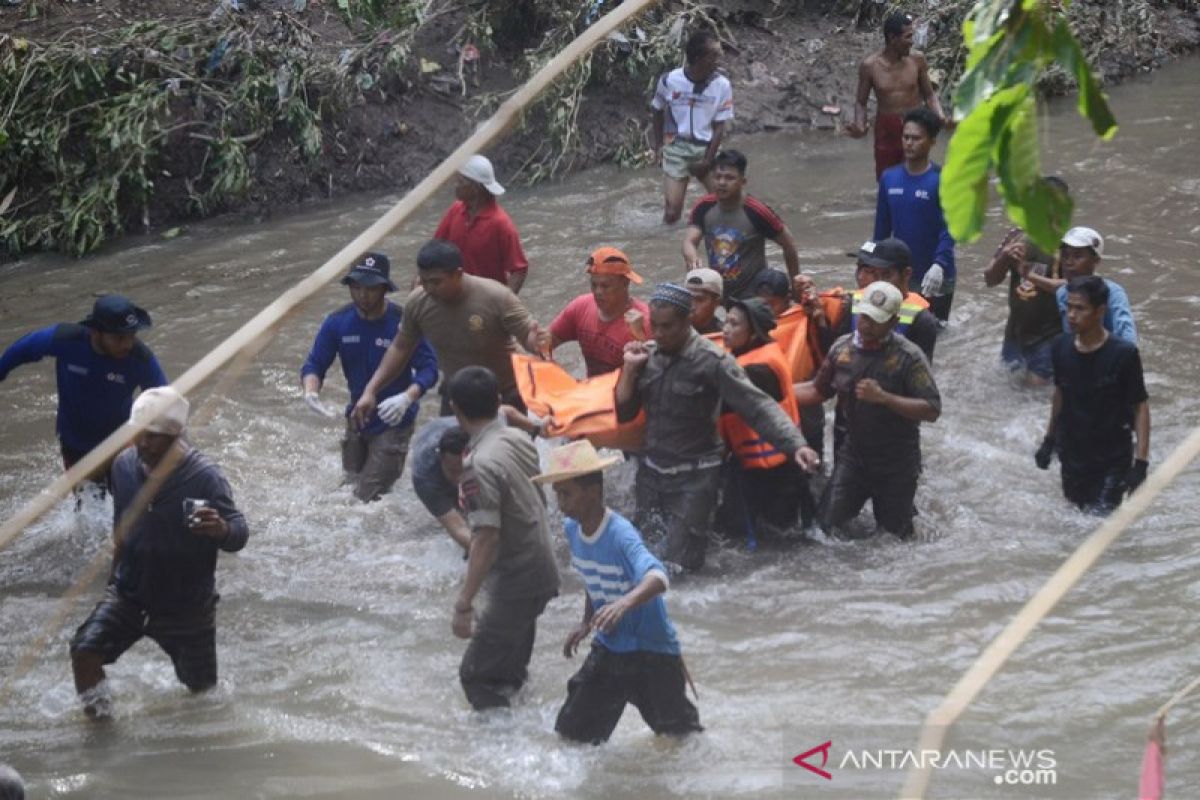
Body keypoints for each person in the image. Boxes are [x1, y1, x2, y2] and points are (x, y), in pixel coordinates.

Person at [68, 387, 249, 718]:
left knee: (203, 696)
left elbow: (239, 534)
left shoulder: (205, 477)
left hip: (186, 606)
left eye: (153, 437)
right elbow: (122, 527)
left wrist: (220, 528)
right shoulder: (124, 466)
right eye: (139, 434)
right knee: (84, 651)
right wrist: (112, 583)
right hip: (130, 595)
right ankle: (101, 730)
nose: (143, 444)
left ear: (177, 435)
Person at [615, 283, 819, 572]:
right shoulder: (648, 357)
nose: (659, 334)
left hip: (694, 479)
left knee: (679, 567)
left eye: (667, 326)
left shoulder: (713, 361)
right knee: (641, 559)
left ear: (687, 321)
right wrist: (629, 369)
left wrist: (796, 444)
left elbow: (757, 406)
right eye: (654, 326)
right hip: (652, 476)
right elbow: (624, 414)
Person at [533, 440, 702, 744]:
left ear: (594, 492)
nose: (561, 503)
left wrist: (624, 603)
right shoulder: (574, 529)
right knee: (572, 735)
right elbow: (592, 574)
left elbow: (658, 577)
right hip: (610, 648)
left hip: (652, 653)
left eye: (567, 494)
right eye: (557, 494)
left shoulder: (620, 533)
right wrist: (587, 622)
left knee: (681, 738)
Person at [448, 367, 560, 710]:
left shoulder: (477, 465)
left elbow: (486, 537)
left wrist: (464, 603)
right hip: (542, 569)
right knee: (509, 674)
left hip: (516, 580)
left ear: (455, 410)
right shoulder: (515, 438)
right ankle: (526, 731)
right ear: (497, 401)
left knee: (476, 676)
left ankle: (504, 751)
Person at [794, 282, 941, 539]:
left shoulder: (909, 357)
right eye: (864, 316)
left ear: (894, 321)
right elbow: (818, 390)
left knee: (894, 538)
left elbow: (932, 409)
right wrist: (774, 394)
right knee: (821, 531)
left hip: (897, 462)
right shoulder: (842, 349)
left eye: (876, 320)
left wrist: (885, 398)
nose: (866, 324)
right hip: (854, 456)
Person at [351, 239, 547, 425]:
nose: (429, 288)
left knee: (504, 456)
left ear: (458, 274)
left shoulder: (497, 296)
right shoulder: (418, 302)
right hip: (456, 393)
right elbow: (400, 347)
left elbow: (528, 336)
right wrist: (371, 390)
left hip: (504, 392)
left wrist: (536, 341)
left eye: (436, 282)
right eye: (424, 281)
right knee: (448, 455)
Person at [301, 253, 438, 501]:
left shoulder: (403, 324)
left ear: (385, 288)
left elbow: (429, 369)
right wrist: (311, 392)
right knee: (348, 485)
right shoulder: (337, 322)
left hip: (393, 419)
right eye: (357, 287)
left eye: (371, 288)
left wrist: (407, 398)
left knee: (365, 498)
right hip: (358, 417)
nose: (363, 295)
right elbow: (315, 363)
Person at [0, 294, 168, 485]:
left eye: (131, 336)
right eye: (119, 338)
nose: (128, 344)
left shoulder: (141, 359)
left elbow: (165, 402)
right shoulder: (65, 340)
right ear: (95, 333)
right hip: (75, 441)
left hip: (119, 442)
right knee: (86, 506)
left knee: (127, 504)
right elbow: (18, 351)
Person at [1036, 276, 1150, 515]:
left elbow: (1140, 406)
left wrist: (1140, 462)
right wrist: (1049, 440)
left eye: (1080, 308)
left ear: (1100, 311)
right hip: (1073, 454)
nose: (1071, 315)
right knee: (1075, 517)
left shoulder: (1124, 355)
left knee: (1099, 523)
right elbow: (1060, 393)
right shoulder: (1060, 348)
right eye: (1069, 307)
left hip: (1112, 458)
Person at [716, 298, 813, 538]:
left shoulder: (758, 370)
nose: (725, 329)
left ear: (753, 333)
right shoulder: (752, 355)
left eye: (734, 324)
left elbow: (714, 403)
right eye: (726, 321)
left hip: (777, 474)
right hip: (754, 466)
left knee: (776, 542)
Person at [409, 406, 547, 554]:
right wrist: (490, 554)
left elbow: (505, 412)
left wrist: (537, 428)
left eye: (464, 470)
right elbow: (457, 527)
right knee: (468, 517)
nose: (460, 479)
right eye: (454, 471)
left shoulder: (486, 438)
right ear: (441, 459)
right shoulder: (425, 477)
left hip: (457, 431)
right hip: (430, 436)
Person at [682, 149, 800, 302]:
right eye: (718, 177)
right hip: (717, 291)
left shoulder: (756, 211)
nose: (722, 183)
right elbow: (689, 241)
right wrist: (692, 257)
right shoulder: (703, 206)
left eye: (729, 178)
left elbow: (789, 244)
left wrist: (796, 287)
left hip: (752, 294)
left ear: (743, 182)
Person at [983, 178, 1070, 382]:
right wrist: (1004, 256)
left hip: (1049, 336)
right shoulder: (1016, 236)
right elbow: (990, 279)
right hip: (1015, 333)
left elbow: (1072, 288)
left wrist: (1030, 275)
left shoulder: (1068, 244)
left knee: (1034, 396)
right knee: (1009, 394)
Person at [874, 107, 956, 323]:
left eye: (916, 138)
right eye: (905, 137)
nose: (909, 143)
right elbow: (881, 232)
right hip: (901, 276)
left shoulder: (944, 180)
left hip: (937, 275)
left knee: (936, 334)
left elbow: (950, 229)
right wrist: (872, 265)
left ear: (932, 142)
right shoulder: (889, 178)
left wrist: (939, 265)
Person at [846, 11, 950, 181]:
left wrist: (941, 117)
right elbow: (861, 102)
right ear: (893, 38)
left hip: (915, 124)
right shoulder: (870, 66)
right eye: (908, 37)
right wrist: (860, 125)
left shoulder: (918, 60)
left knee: (917, 175)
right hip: (886, 128)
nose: (912, 42)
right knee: (887, 178)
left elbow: (930, 95)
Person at [650, 29, 734, 224]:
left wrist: (707, 161)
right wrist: (658, 146)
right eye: (714, 56)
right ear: (698, 58)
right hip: (676, 148)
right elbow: (656, 109)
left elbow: (720, 127)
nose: (718, 60)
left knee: (727, 204)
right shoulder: (669, 80)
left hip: (706, 148)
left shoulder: (722, 85)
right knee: (672, 214)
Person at [829, 238, 938, 362]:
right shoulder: (852, 303)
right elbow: (835, 353)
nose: (878, 283)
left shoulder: (923, 321)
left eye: (886, 275)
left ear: (906, 274)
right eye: (874, 274)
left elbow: (921, 372)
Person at [434, 154, 530, 293]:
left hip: (485, 300)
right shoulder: (455, 211)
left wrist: (503, 304)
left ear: (475, 188)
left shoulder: (501, 224)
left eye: (460, 181)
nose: (455, 186)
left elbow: (519, 270)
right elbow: (434, 249)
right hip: (454, 295)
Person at [548, 247, 651, 377]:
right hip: (592, 389)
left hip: (625, 393)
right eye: (594, 285)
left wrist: (641, 338)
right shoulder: (580, 306)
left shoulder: (644, 322)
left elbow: (653, 376)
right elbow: (547, 343)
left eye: (605, 286)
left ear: (625, 283)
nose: (598, 292)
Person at [1051, 226, 1137, 343]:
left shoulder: (1112, 293)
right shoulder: (1062, 293)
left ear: (1096, 261)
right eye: (1065, 255)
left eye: (1077, 256)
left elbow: (1128, 338)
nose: (1069, 262)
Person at [684, 267, 724, 335]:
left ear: (716, 302)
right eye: (688, 298)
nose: (692, 306)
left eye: (699, 300)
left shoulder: (725, 335)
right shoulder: (670, 332)